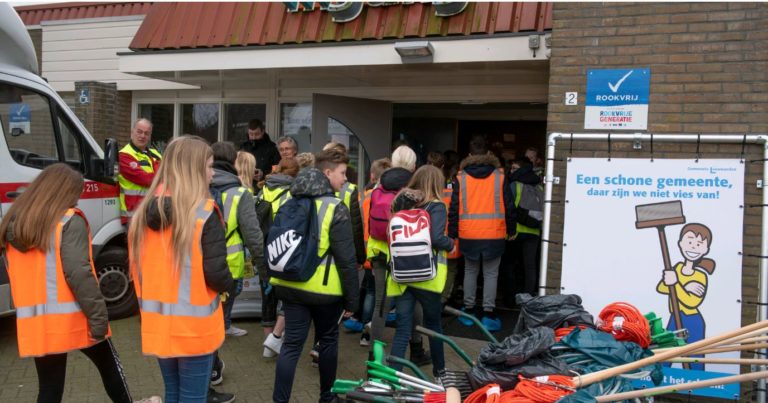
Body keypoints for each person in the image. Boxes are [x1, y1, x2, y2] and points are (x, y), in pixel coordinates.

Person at [0, 163, 155, 403]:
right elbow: (79, 274)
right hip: (76, 317)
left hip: (37, 323)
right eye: (77, 193)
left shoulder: (14, 225)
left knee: (49, 388)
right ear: (64, 192)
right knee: (110, 367)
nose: (78, 199)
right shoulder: (68, 221)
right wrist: (98, 319)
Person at [129, 136, 233, 403]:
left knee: (172, 393)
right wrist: (229, 284)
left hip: (159, 323)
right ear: (193, 169)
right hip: (195, 328)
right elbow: (216, 273)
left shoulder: (142, 216)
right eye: (209, 166)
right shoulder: (204, 213)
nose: (213, 173)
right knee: (192, 397)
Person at [270, 150, 359, 403]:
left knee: (291, 347)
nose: (345, 179)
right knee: (328, 341)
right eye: (342, 173)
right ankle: (327, 398)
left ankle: (280, 400)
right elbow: (346, 260)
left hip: (289, 284)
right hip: (324, 292)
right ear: (327, 173)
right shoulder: (335, 207)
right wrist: (352, 301)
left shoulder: (289, 201)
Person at [386, 166, 455, 381]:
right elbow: (435, 238)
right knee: (433, 326)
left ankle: (392, 379)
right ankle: (440, 375)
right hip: (427, 276)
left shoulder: (401, 203)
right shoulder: (436, 206)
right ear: (436, 183)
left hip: (401, 276)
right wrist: (450, 243)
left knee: (403, 329)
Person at [449, 135, 510, 332]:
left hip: (469, 234)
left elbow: (455, 207)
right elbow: (508, 205)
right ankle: (489, 313)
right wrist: (513, 228)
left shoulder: (461, 177)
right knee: (491, 274)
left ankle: (468, 310)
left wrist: (452, 232)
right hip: (494, 233)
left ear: (469, 154)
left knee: (470, 271)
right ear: (488, 153)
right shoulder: (500, 176)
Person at [210, 142, 266, 338]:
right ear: (234, 161)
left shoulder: (194, 185)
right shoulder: (240, 193)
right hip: (229, 260)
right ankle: (221, 328)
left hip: (198, 258)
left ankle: (217, 328)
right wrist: (264, 269)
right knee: (229, 295)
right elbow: (253, 235)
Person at [344, 157, 392, 346]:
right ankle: (368, 331)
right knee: (377, 292)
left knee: (369, 289)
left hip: (363, 247)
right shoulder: (390, 197)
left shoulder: (362, 196)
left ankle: (362, 325)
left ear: (372, 176)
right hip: (379, 249)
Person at [257, 157, 300, 358]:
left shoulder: (264, 187)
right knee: (286, 293)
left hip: (263, 246)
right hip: (283, 248)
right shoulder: (292, 192)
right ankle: (277, 337)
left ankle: (268, 345)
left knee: (267, 295)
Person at [504, 158, 543, 298]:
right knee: (530, 266)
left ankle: (510, 297)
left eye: (514, 168)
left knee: (510, 264)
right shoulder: (539, 186)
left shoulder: (515, 185)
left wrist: (509, 229)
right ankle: (529, 298)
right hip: (534, 231)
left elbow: (508, 208)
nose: (511, 170)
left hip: (515, 231)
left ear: (521, 169)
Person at [118, 118, 162, 224]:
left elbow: (169, 175)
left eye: (146, 133)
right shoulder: (124, 155)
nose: (142, 136)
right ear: (132, 132)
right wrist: (159, 169)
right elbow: (147, 179)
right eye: (139, 131)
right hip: (134, 215)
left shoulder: (155, 153)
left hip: (154, 212)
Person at [239, 119, 280, 184]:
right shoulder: (243, 147)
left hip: (265, 184)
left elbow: (277, 168)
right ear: (248, 133)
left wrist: (263, 173)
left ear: (262, 132)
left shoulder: (272, 148)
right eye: (251, 134)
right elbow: (238, 165)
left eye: (257, 134)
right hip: (246, 183)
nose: (254, 137)